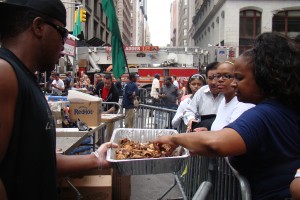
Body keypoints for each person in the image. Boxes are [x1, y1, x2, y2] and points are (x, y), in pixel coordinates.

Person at [155, 32, 300, 199]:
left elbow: (217, 144)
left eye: (239, 77)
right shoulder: (281, 109)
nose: (233, 83)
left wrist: (174, 139)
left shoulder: (265, 114)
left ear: (265, 76)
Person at [0, 1, 116, 199]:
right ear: (38, 27)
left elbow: (41, 162)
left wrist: (97, 159)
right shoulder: (5, 74)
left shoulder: (24, 78)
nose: (63, 47)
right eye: (63, 34)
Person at [204, 60, 255, 131]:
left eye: (226, 76)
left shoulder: (243, 104)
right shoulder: (223, 101)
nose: (220, 80)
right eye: (218, 76)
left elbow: (231, 135)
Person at [184, 62, 224, 131]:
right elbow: (189, 110)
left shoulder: (229, 94)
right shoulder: (201, 92)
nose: (213, 82)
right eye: (210, 78)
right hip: (202, 134)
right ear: (206, 79)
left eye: (216, 78)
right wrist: (191, 119)